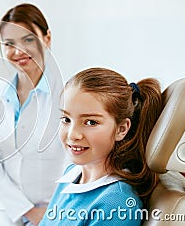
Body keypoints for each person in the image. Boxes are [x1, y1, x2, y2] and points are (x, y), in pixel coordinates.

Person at [0, 3, 67, 226]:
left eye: (28, 40)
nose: (18, 51)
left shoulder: (68, 94)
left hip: (56, 203)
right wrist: (23, 208)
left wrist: (52, 208)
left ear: (47, 39)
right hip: (7, 203)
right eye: (9, 44)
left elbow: (78, 160)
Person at [39, 67, 163, 225]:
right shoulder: (71, 174)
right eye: (66, 119)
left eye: (91, 122)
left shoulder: (116, 203)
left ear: (121, 129)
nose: (72, 135)